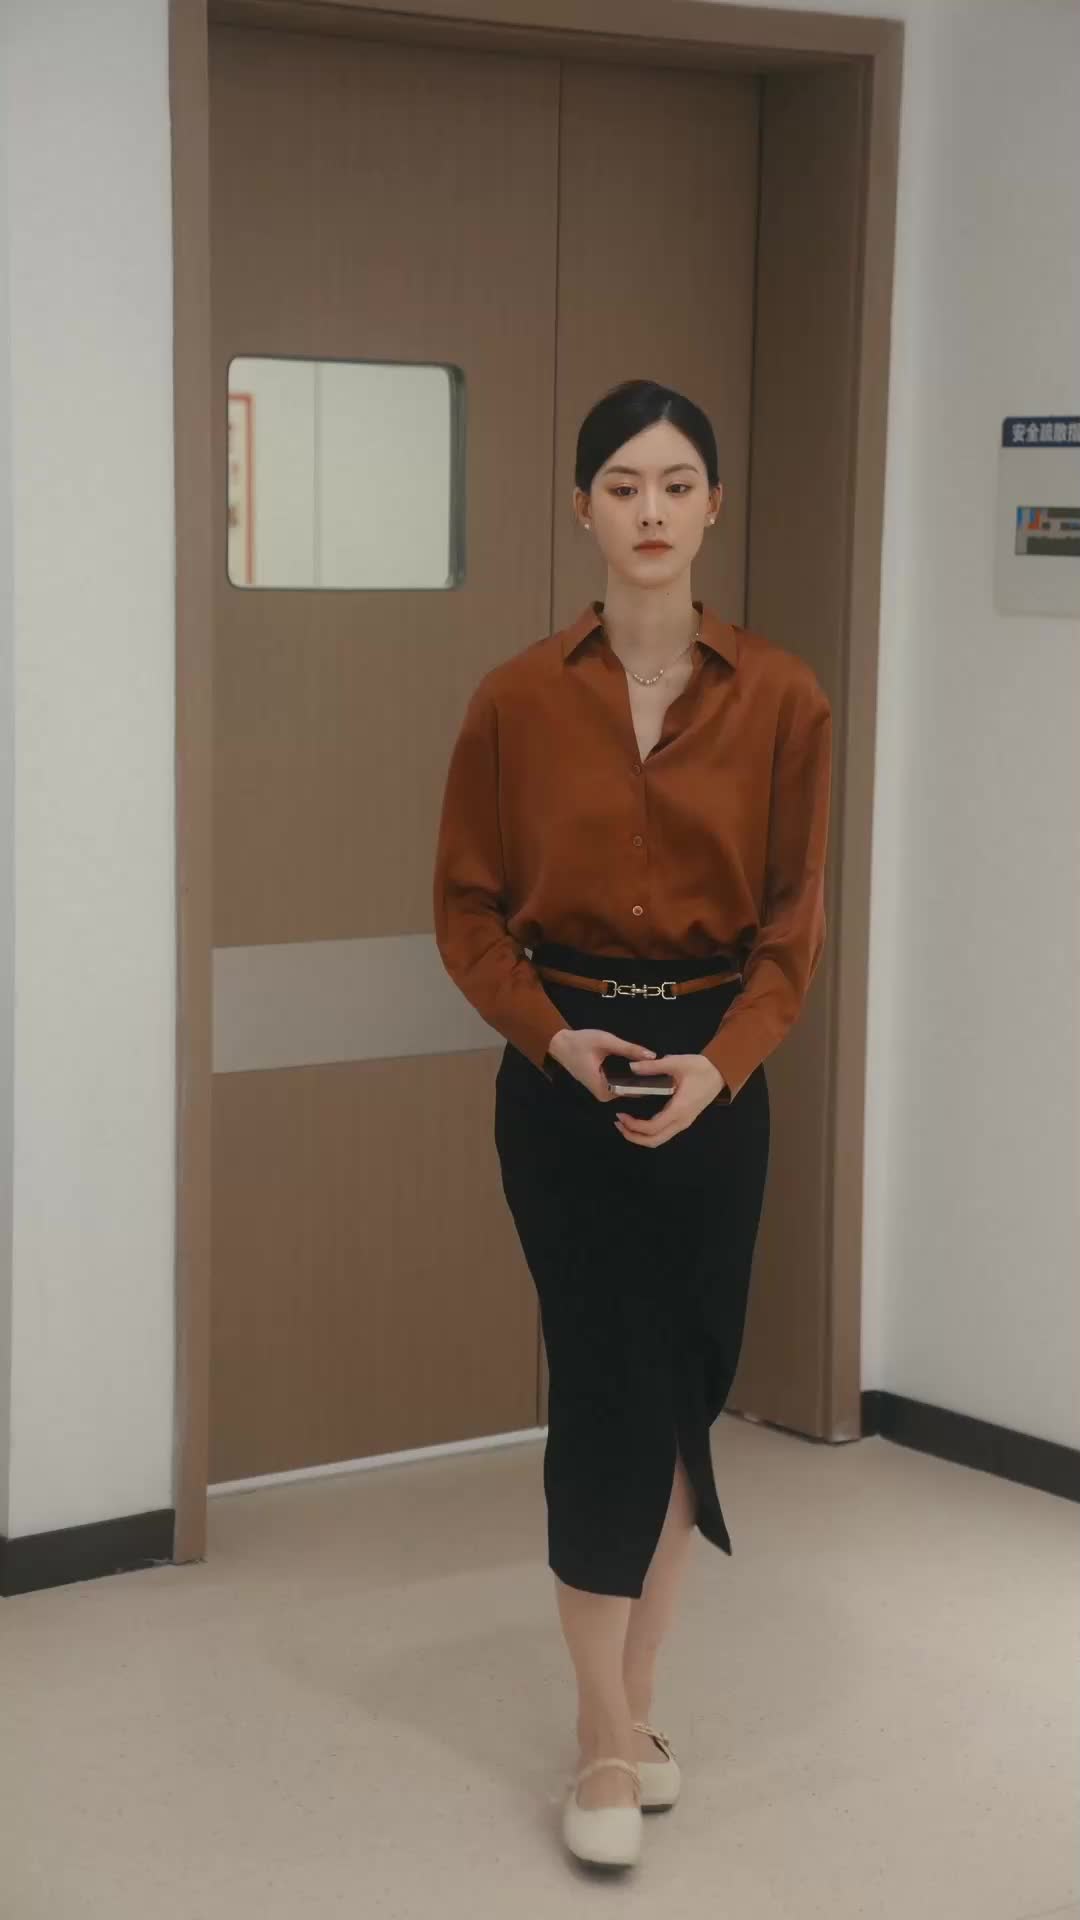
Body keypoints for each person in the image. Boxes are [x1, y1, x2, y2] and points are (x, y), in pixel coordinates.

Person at [432, 377, 832, 1870]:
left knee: (680, 1399)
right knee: (605, 1385)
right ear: (583, 509)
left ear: (712, 506)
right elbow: (467, 912)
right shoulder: (517, 700)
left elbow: (791, 927)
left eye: (675, 483)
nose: (650, 510)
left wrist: (721, 1068)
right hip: (566, 1075)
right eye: (622, 485)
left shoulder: (783, 697)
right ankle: (603, 1736)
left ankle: (639, 1706)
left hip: (719, 1078)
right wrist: (557, 1040)